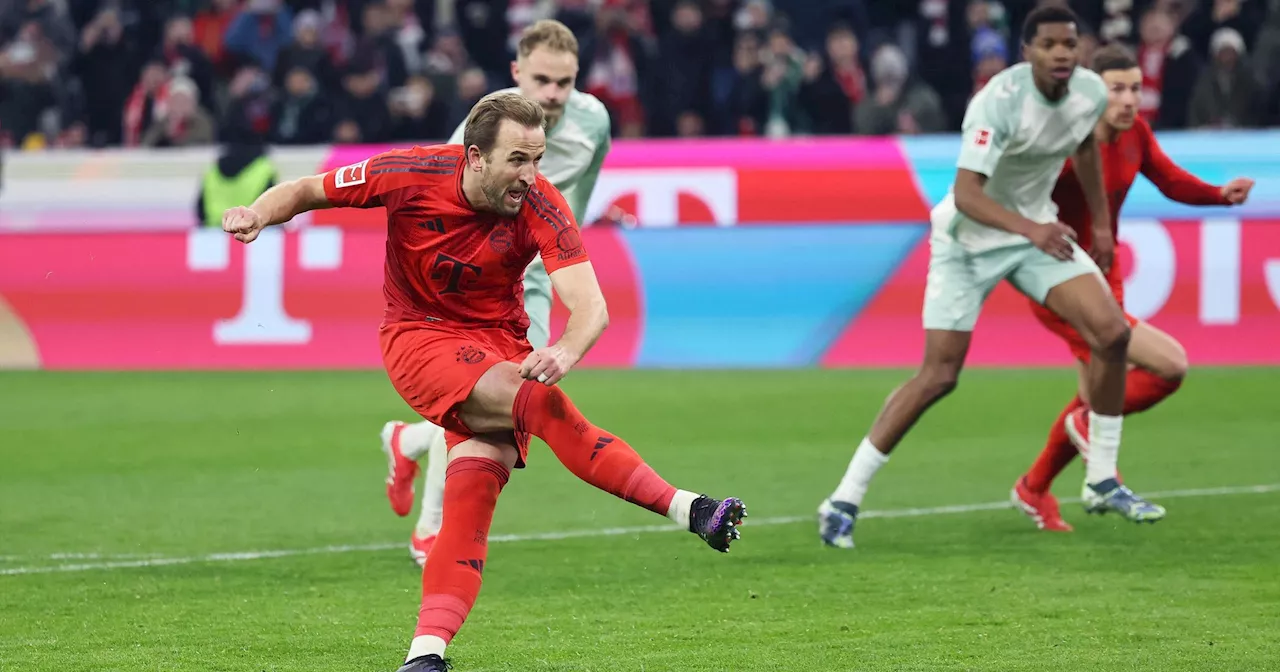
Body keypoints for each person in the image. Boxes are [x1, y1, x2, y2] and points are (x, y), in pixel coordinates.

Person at [221, 91, 745, 672]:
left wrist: (567, 348)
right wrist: (256, 215)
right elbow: (305, 190)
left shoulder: (541, 204)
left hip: (500, 344)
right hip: (420, 339)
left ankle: (425, 655)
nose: (531, 175)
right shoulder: (409, 172)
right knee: (539, 404)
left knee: (471, 500)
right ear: (473, 156)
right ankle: (690, 508)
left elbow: (591, 306)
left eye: (538, 159)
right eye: (517, 160)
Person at [817, 6, 1165, 550]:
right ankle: (842, 499)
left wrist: (1100, 224)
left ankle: (1101, 478)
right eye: (1049, 45)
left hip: (1035, 234)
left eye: (1069, 45)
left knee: (1113, 334)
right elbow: (967, 196)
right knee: (939, 376)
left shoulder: (1090, 94)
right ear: (1027, 52)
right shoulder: (997, 102)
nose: (1061, 54)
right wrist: (1032, 229)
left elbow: (1084, 148)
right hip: (969, 241)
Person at [376, 19, 614, 567]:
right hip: (489, 278)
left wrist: (563, 238)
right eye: (541, 80)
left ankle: (407, 443)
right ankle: (431, 529)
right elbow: (442, 199)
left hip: (541, 264)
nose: (553, 94)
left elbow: (584, 182)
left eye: (565, 82)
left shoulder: (594, 119)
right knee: (485, 397)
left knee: (503, 400)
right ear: (516, 73)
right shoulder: (480, 130)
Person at [1011, 44, 1255, 531]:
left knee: (1094, 393)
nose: (1128, 100)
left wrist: (1217, 195)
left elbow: (1168, 179)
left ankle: (1035, 488)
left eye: (1136, 89)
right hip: (1059, 282)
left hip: (1106, 277)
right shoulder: (1062, 146)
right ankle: (1090, 451)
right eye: (1116, 89)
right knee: (1168, 365)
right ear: (1090, 92)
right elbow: (1014, 197)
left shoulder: (1135, 133)